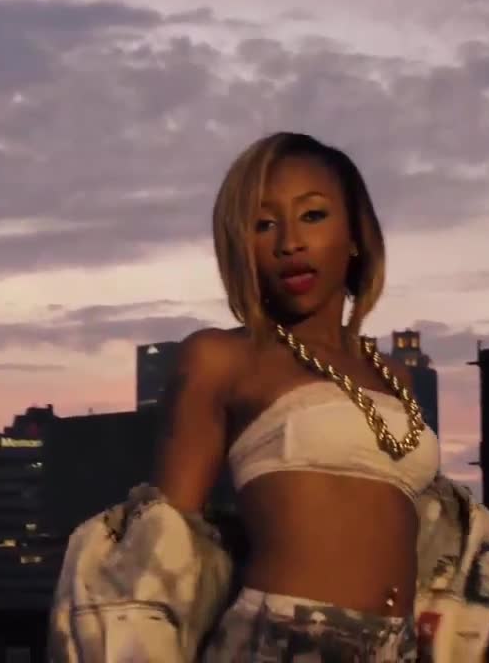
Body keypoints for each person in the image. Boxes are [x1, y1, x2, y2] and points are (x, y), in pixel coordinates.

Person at [154, 132, 439, 661]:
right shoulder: (221, 357)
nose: (290, 243)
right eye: (264, 224)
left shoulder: (395, 374)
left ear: (355, 235)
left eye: (313, 216)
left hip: (398, 647)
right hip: (282, 642)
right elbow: (165, 540)